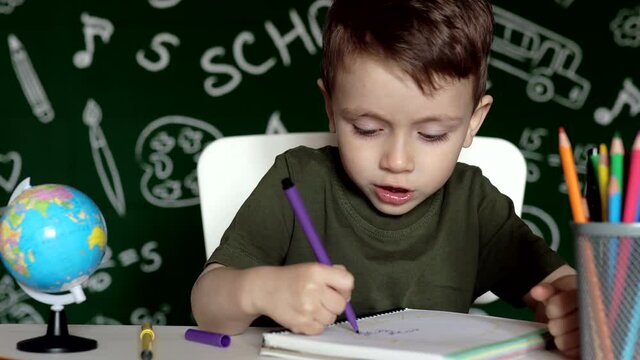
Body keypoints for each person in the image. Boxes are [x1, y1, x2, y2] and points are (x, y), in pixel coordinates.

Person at [191, 0, 579, 357]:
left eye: (432, 135)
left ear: (472, 122)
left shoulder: (473, 203)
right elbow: (207, 306)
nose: (397, 161)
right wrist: (259, 290)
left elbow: (560, 284)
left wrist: (572, 309)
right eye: (366, 128)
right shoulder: (298, 179)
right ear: (331, 107)